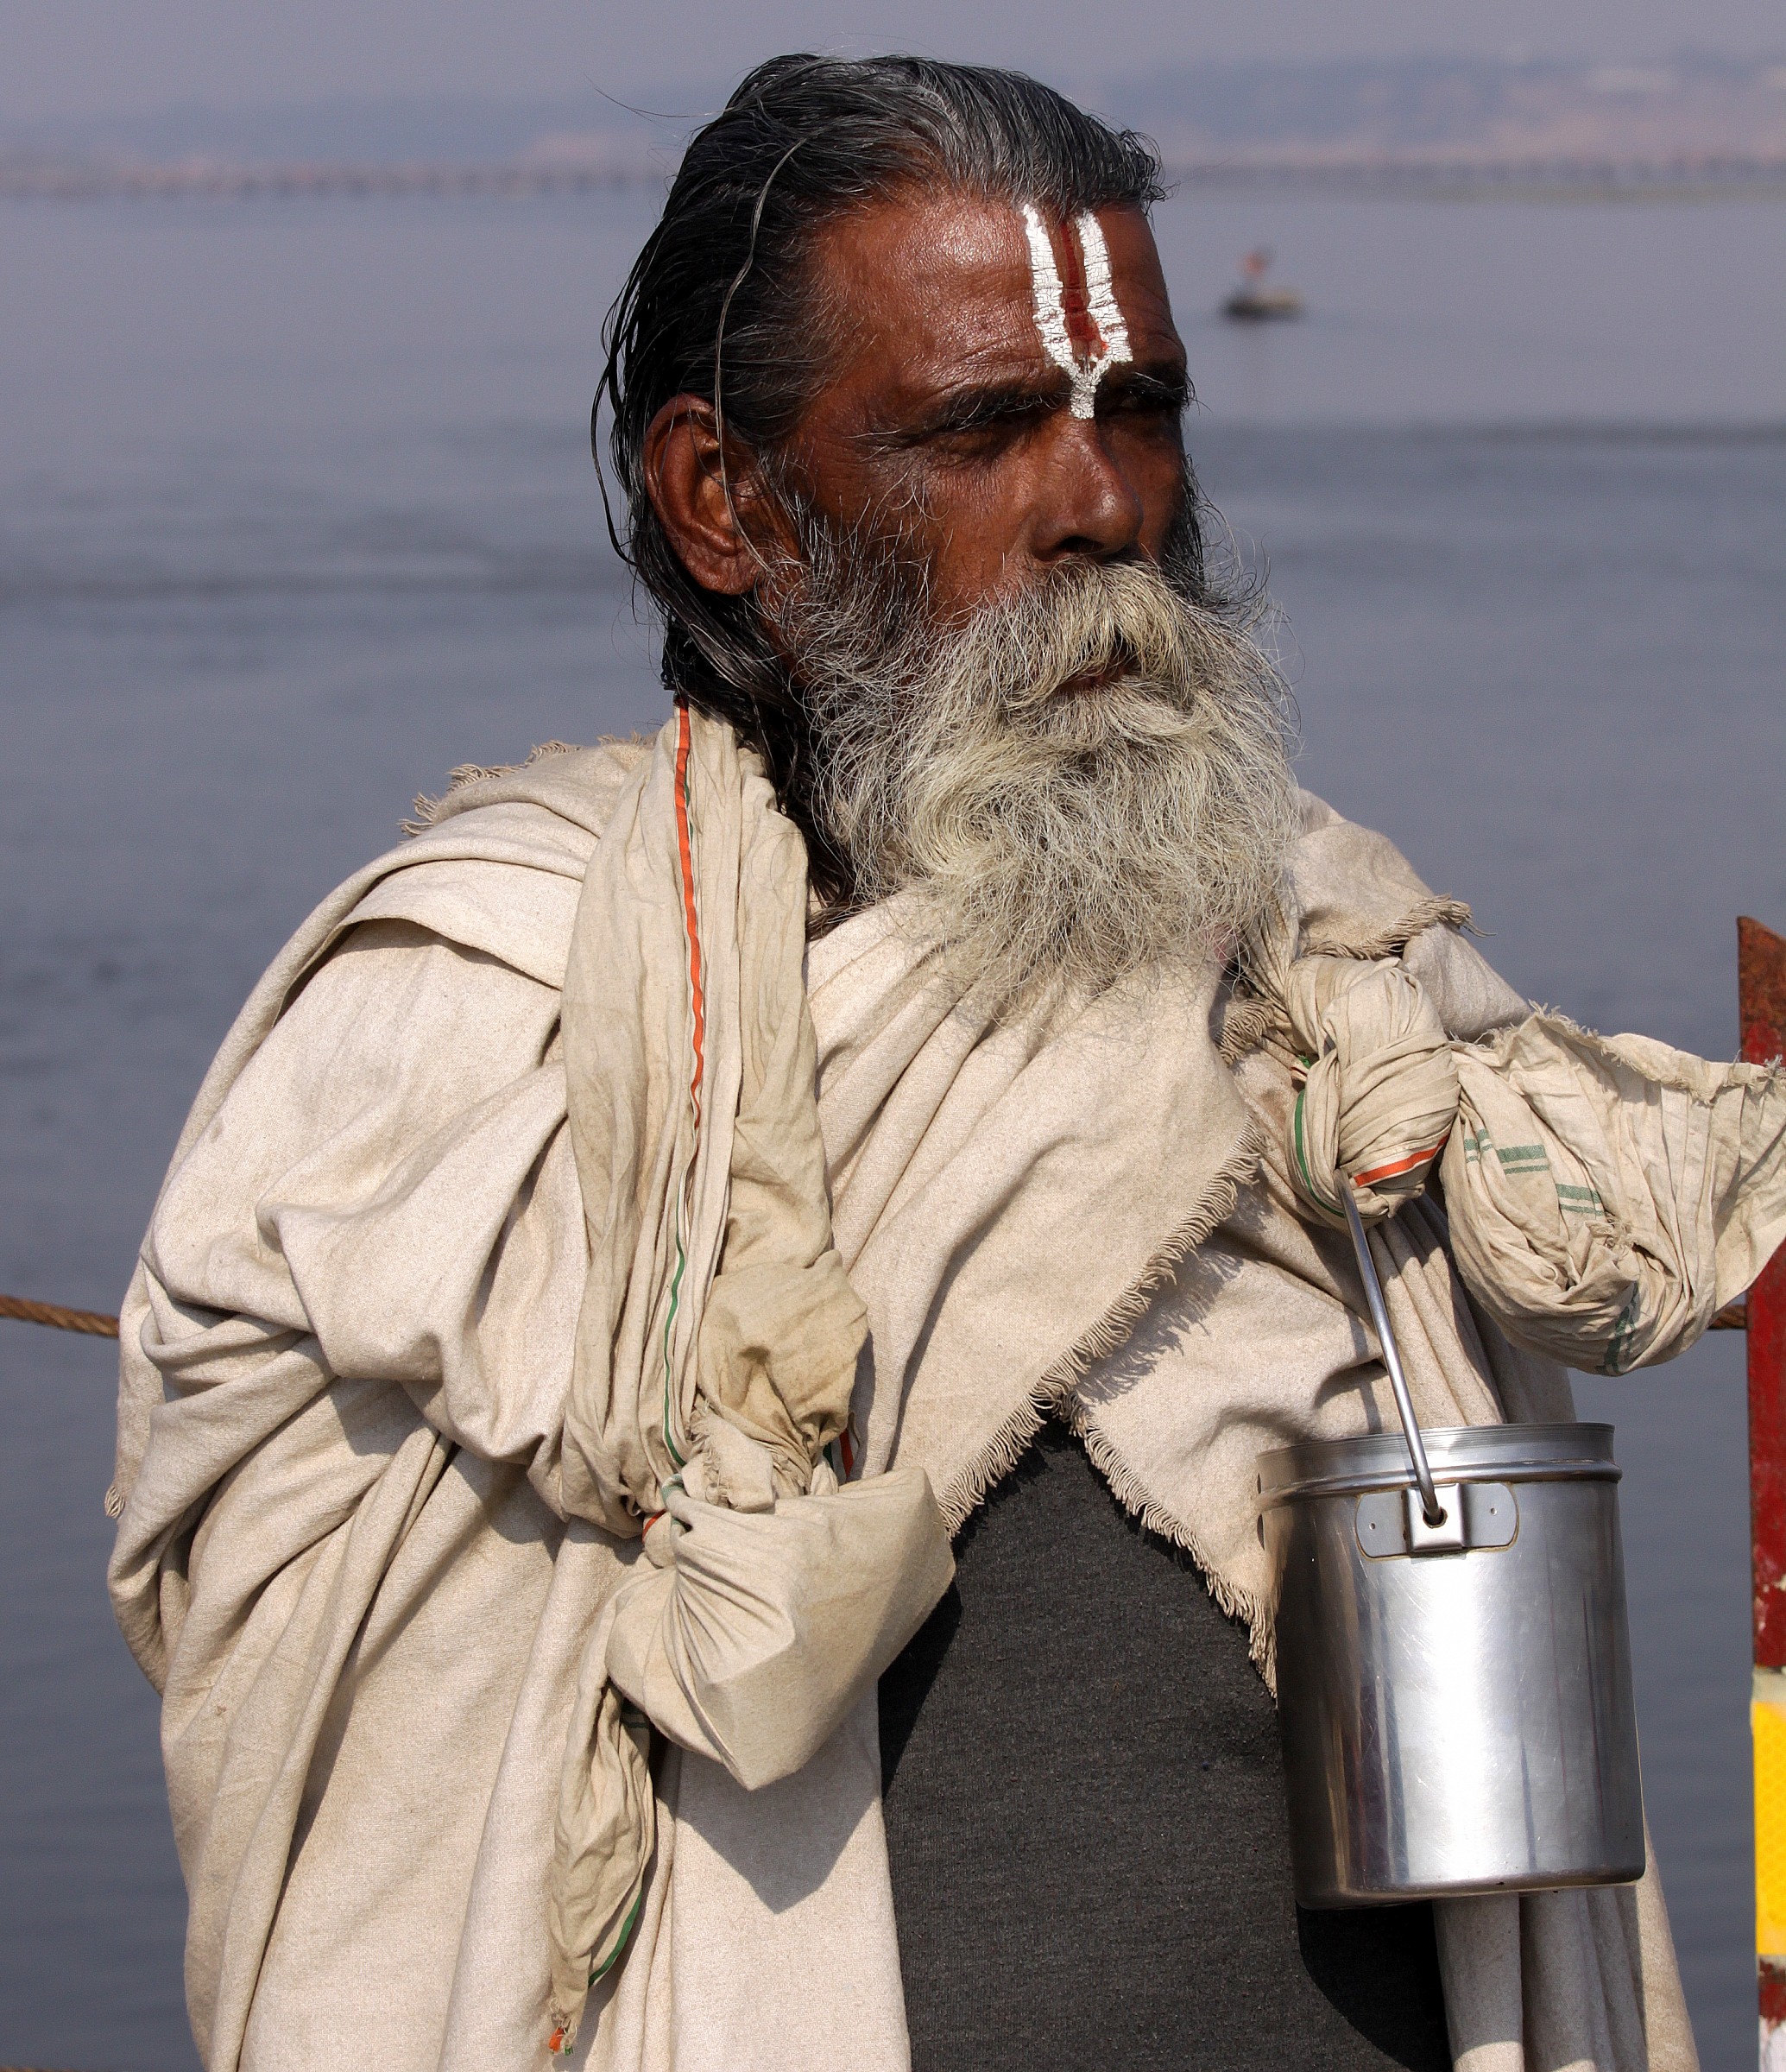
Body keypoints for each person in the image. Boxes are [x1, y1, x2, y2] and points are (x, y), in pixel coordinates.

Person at [108, 55, 1783, 2072]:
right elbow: (362, 1788)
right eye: (986, 427)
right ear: (728, 503)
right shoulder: (473, 1046)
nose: (1102, 507)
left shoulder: (1339, 981)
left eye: (1140, 411)